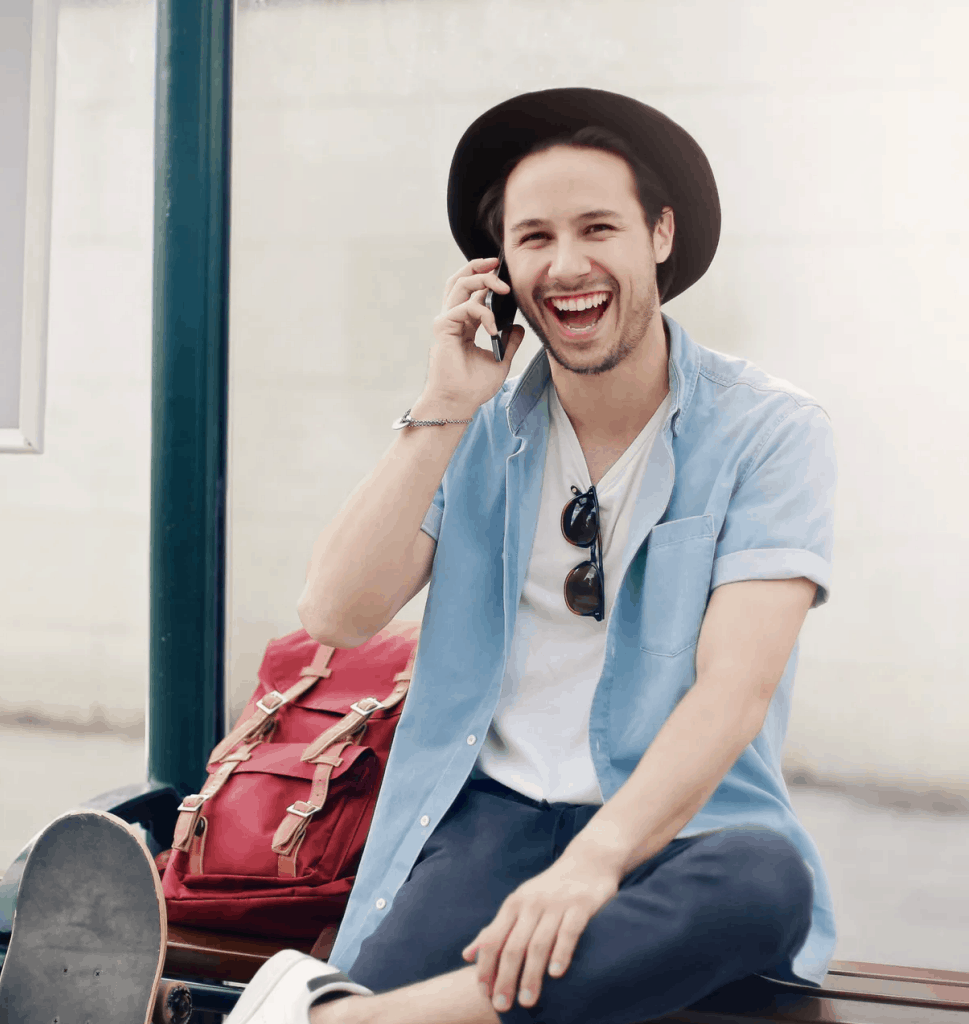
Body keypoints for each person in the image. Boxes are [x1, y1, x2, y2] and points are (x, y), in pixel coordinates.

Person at [226, 87, 837, 1024]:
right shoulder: (471, 427)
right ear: (500, 268)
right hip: (490, 819)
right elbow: (337, 614)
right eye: (535, 238)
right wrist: (442, 405)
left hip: (676, 829)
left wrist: (593, 865)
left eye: (599, 228)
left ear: (660, 236)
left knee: (767, 883)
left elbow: (734, 693)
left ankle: (349, 1021)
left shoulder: (769, 431)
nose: (568, 265)